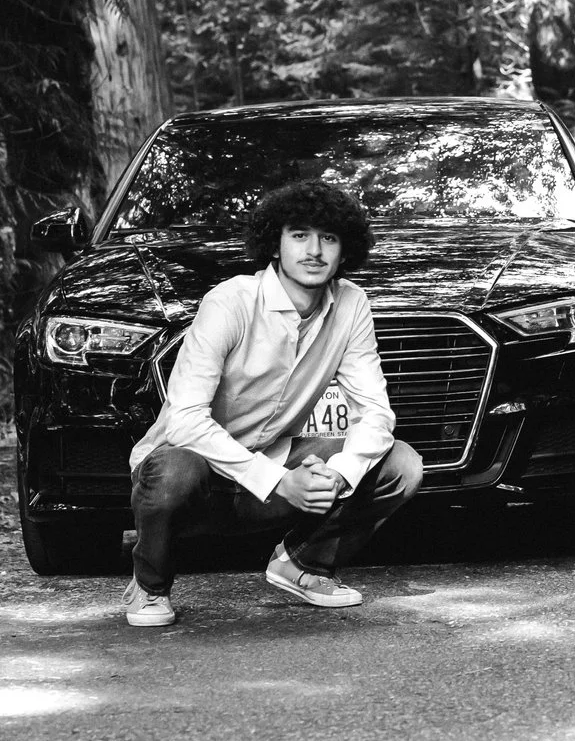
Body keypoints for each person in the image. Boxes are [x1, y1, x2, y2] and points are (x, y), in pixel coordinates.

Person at [119, 180, 425, 627]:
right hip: (192, 476)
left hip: (273, 461)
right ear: (275, 244)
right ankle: (149, 585)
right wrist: (279, 482)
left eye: (329, 237)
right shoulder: (230, 301)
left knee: (401, 464)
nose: (314, 250)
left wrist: (338, 476)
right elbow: (184, 421)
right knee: (174, 467)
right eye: (299, 235)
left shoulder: (352, 304)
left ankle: (303, 563)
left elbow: (375, 413)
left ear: (345, 249)